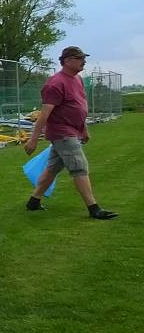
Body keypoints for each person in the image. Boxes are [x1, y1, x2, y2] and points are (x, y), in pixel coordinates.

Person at [24, 46, 117, 219]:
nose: (84, 61)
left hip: (73, 131)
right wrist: (33, 140)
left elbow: (79, 107)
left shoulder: (78, 80)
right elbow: (44, 115)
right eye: (80, 58)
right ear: (67, 61)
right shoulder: (55, 83)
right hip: (62, 133)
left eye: (84, 58)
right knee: (79, 167)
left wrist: (84, 129)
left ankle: (33, 201)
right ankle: (94, 208)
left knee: (52, 168)